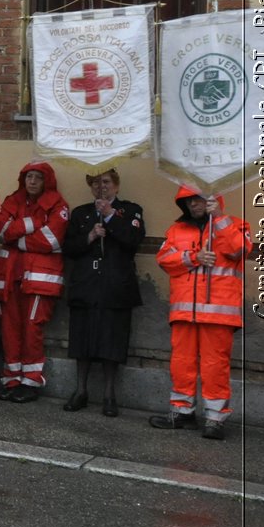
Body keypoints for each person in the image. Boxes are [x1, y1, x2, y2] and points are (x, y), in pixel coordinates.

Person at [152, 187, 251, 440]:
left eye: (198, 199)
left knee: (214, 365)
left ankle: (215, 418)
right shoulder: (177, 229)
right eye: (189, 201)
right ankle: (182, 412)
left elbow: (239, 250)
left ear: (213, 200)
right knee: (181, 363)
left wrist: (218, 218)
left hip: (219, 313)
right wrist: (194, 257)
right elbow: (164, 258)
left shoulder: (236, 225)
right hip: (185, 311)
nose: (194, 205)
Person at [60, 168, 145, 416]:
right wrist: (88, 236)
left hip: (115, 288)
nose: (101, 187)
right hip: (86, 286)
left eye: (106, 182)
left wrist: (109, 216)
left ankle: (109, 395)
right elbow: (68, 248)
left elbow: (133, 239)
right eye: (95, 183)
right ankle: (81, 390)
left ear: (116, 186)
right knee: (81, 341)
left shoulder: (130, 210)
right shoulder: (81, 213)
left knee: (112, 342)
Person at [0, 160, 68, 402]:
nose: (32, 182)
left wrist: (16, 237)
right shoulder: (13, 199)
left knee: (32, 330)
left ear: (47, 181)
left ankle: (31, 382)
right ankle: (12, 380)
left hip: (38, 280)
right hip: (9, 277)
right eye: (28, 177)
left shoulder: (58, 204)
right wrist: (30, 224)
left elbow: (50, 240)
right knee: (9, 330)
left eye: (38, 177)